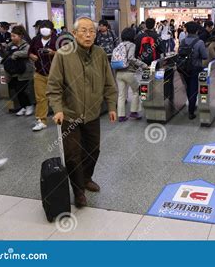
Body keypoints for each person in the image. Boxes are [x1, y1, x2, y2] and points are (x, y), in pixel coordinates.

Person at [47, 16, 118, 208]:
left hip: (93, 114)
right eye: (84, 31)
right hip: (70, 115)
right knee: (72, 154)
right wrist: (58, 109)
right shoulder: (63, 54)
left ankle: (86, 178)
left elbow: (109, 83)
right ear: (74, 33)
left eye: (92, 31)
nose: (88, 34)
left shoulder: (100, 53)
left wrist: (112, 106)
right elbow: (54, 86)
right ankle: (78, 191)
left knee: (93, 150)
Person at [28, 20, 57, 131]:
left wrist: (53, 53)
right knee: (40, 97)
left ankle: (63, 116)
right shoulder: (35, 40)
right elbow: (29, 51)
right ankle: (41, 120)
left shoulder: (57, 39)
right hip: (39, 72)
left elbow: (65, 53)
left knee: (57, 96)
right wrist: (31, 55)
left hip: (55, 73)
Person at [0, 25, 35, 117]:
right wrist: (1, 50)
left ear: (20, 36)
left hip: (25, 71)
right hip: (14, 71)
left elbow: (27, 53)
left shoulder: (26, 44)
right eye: (11, 36)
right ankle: (23, 106)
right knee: (17, 90)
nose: (12, 38)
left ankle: (29, 106)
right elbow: (5, 55)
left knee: (24, 90)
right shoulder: (10, 45)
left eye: (14, 36)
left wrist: (15, 54)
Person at [115, 28, 148, 122]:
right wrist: (144, 65)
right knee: (137, 91)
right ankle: (134, 111)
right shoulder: (131, 45)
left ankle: (121, 116)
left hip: (118, 73)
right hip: (128, 72)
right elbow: (131, 58)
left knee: (121, 95)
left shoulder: (119, 45)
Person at [178, 21, 207, 120]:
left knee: (188, 88)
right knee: (194, 90)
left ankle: (191, 103)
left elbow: (179, 54)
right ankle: (191, 111)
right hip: (196, 68)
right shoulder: (200, 42)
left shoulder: (183, 41)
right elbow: (205, 56)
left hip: (184, 69)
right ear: (197, 31)